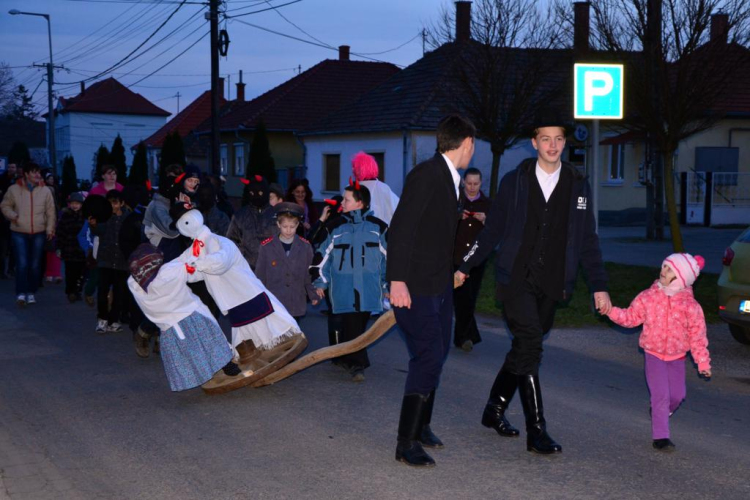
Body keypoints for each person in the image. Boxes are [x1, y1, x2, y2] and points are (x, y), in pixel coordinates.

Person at [456, 110, 611, 455]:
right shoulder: (516, 181)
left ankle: (494, 409)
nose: (552, 145)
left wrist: (599, 285)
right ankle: (536, 430)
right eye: (546, 138)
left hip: (553, 282)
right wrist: (465, 265)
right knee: (530, 344)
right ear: (534, 142)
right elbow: (492, 230)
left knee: (524, 348)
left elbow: (587, 239)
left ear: (565, 143)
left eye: (558, 139)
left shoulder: (577, 184)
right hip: (516, 279)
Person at [387, 115, 475, 467]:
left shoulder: (449, 179)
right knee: (427, 356)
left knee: (436, 353)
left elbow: (434, 235)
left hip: (439, 285)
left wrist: (453, 272)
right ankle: (405, 443)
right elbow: (402, 229)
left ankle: (422, 426)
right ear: (466, 143)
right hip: (415, 286)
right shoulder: (426, 175)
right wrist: (397, 281)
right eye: (473, 144)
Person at [607, 253, 711, 452]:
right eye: (663, 266)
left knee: (678, 396)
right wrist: (611, 311)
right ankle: (661, 436)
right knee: (661, 395)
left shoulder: (691, 306)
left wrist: (703, 363)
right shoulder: (649, 297)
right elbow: (630, 317)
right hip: (653, 354)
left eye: (669, 269)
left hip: (677, 357)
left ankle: (660, 411)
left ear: (682, 277)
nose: (663, 271)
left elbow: (698, 337)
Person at [171, 203, 302, 361]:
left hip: (246, 290)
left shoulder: (218, 241)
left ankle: (275, 347)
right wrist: (167, 273)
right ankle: (255, 357)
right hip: (229, 298)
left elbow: (221, 261)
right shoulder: (194, 250)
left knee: (266, 319)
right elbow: (183, 268)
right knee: (244, 326)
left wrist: (198, 264)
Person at [127, 244, 244, 392]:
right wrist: (201, 244)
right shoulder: (169, 273)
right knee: (210, 341)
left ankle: (202, 374)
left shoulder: (133, 283)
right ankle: (228, 367)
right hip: (191, 315)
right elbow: (187, 261)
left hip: (168, 327)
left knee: (189, 352)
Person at [313, 184, 388, 382]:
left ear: (359, 203)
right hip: (342, 289)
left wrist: (388, 286)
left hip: (368, 290)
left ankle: (344, 356)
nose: (342, 203)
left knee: (356, 326)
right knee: (352, 325)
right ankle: (358, 363)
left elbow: (390, 260)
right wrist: (321, 282)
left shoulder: (378, 227)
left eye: (347, 200)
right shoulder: (335, 226)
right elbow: (322, 257)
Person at [1, 162, 56, 307]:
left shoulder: (45, 191)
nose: (38, 175)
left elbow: (51, 211)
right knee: (22, 263)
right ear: (26, 174)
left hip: (38, 231)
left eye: (38, 172)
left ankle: (31, 292)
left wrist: (50, 229)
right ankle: (20, 293)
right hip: (19, 231)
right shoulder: (13, 189)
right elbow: (5, 205)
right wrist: (13, 216)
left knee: (35, 264)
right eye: (34, 172)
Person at [255, 202, 318, 321]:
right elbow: (260, 275)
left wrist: (312, 294)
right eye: (285, 226)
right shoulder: (266, 247)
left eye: (292, 227)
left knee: (294, 336)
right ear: (278, 224)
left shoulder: (305, 247)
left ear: (298, 225)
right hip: (274, 301)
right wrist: (258, 298)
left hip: (295, 300)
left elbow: (308, 274)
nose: (288, 230)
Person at [453, 167, 491, 352]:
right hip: (457, 257)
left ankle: (464, 336)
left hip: (477, 258)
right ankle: (465, 337)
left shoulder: (487, 203)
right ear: (463, 182)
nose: (472, 187)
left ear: (481, 183)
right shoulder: (456, 200)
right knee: (461, 297)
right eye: (469, 183)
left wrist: (485, 220)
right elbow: (441, 222)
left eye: (476, 184)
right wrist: (456, 217)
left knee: (470, 297)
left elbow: (495, 229)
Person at [90, 190, 131, 333]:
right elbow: (97, 231)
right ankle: (102, 319)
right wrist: (93, 225)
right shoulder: (104, 217)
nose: (112, 206)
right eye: (109, 203)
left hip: (121, 262)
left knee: (119, 294)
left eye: (114, 202)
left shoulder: (128, 218)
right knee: (102, 292)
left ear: (121, 203)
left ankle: (114, 320)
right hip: (105, 260)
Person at [226, 175, 277, 269]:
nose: (256, 197)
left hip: (273, 270)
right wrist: (241, 261)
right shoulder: (240, 216)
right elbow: (231, 242)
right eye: (252, 193)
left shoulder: (277, 215)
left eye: (260, 193)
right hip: (246, 271)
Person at [143, 163, 183, 261]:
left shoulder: (172, 200)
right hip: (159, 253)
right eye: (171, 179)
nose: (173, 184)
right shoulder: (157, 205)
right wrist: (181, 208)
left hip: (171, 253)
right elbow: (172, 231)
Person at [351, 151, 400, 224]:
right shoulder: (384, 188)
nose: (352, 170)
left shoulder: (350, 189)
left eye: (355, 167)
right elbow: (399, 209)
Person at [56, 192, 87, 302]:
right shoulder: (65, 216)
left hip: (81, 250)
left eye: (77, 203)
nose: (75, 206)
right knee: (70, 272)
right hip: (69, 248)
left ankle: (77, 290)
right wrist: (59, 247)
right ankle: (70, 291)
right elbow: (60, 232)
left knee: (81, 272)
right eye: (73, 203)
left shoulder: (85, 217)